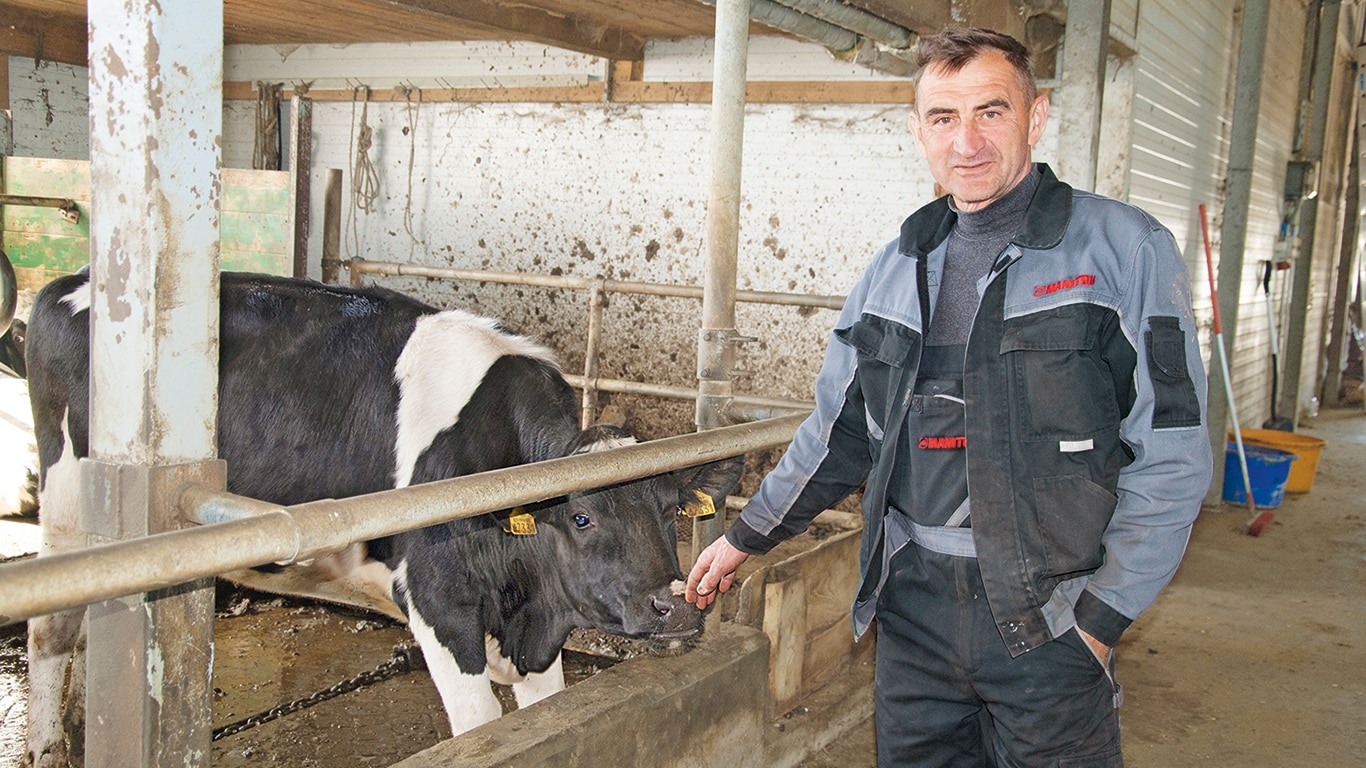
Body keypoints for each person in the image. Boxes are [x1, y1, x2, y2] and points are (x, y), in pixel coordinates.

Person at [686, 26, 1212, 767]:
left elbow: (1175, 451)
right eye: (943, 118)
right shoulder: (895, 267)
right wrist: (748, 535)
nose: (966, 141)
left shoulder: (1124, 250)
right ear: (917, 132)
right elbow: (839, 431)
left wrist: (1098, 621)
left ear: (1035, 118)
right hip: (915, 619)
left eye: (991, 112)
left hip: (1049, 615)